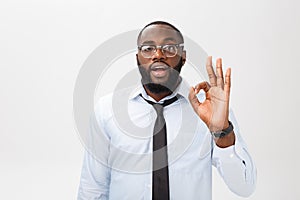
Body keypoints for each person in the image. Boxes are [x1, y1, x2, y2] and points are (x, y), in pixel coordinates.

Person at [77, 21, 257, 200]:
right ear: (138, 57)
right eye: (148, 48)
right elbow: (93, 189)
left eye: (169, 47)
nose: (158, 55)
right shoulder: (107, 109)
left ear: (183, 57)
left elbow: (244, 186)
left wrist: (222, 132)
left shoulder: (211, 111)